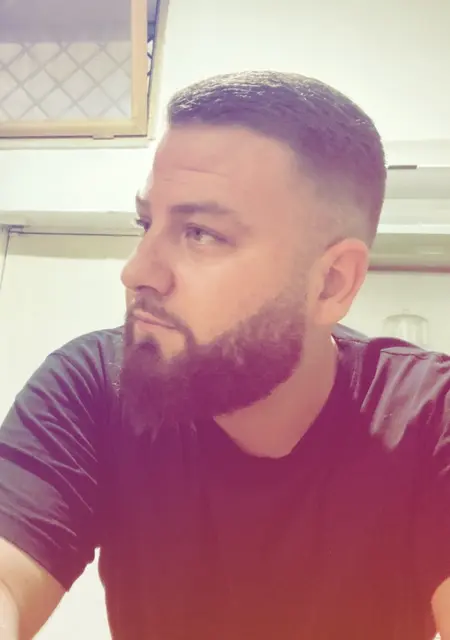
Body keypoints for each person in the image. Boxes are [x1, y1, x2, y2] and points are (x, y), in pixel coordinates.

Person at [0, 70, 449, 640]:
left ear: (331, 283)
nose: (137, 272)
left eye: (201, 234)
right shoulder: (93, 384)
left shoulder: (428, 416)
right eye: (146, 223)